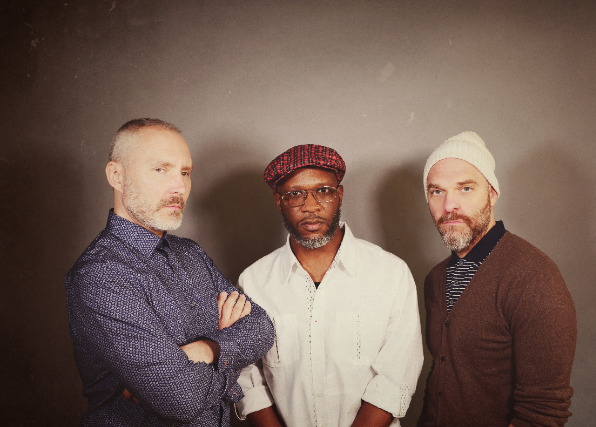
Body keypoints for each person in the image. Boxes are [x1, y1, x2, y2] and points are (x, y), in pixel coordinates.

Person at [65, 118, 274, 426]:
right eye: (160, 169)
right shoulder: (100, 275)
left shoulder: (191, 253)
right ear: (116, 176)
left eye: (185, 173)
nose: (179, 187)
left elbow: (262, 327)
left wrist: (207, 349)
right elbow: (182, 399)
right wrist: (229, 352)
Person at [235, 144, 424, 427]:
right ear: (278, 201)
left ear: (340, 195)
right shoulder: (253, 281)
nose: (310, 206)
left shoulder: (391, 273)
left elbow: (396, 378)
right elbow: (248, 379)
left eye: (323, 191)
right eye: (295, 194)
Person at [417, 131, 577, 427]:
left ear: (492, 193)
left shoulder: (533, 277)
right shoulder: (435, 279)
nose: (449, 205)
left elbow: (543, 413)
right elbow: (442, 377)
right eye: (437, 191)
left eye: (465, 188)